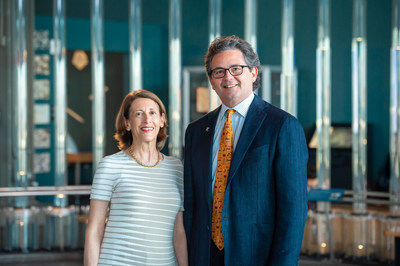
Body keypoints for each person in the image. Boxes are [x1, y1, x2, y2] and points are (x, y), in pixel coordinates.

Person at [183, 35, 308, 265]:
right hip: (204, 256)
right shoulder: (196, 132)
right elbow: (191, 206)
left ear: (253, 73)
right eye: (218, 71)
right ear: (211, 80)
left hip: (256, 255)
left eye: (236, 68)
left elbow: (294, 212)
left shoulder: (282, 126)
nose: (227, 77)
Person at [84, 90, 188, 266]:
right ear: (127, 123)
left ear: (162, 120)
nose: (147, 120)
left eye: (152, 113)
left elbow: (178, 232)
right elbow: (94, 230)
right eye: (139, 114)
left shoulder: (175, 167)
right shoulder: (110, 165)